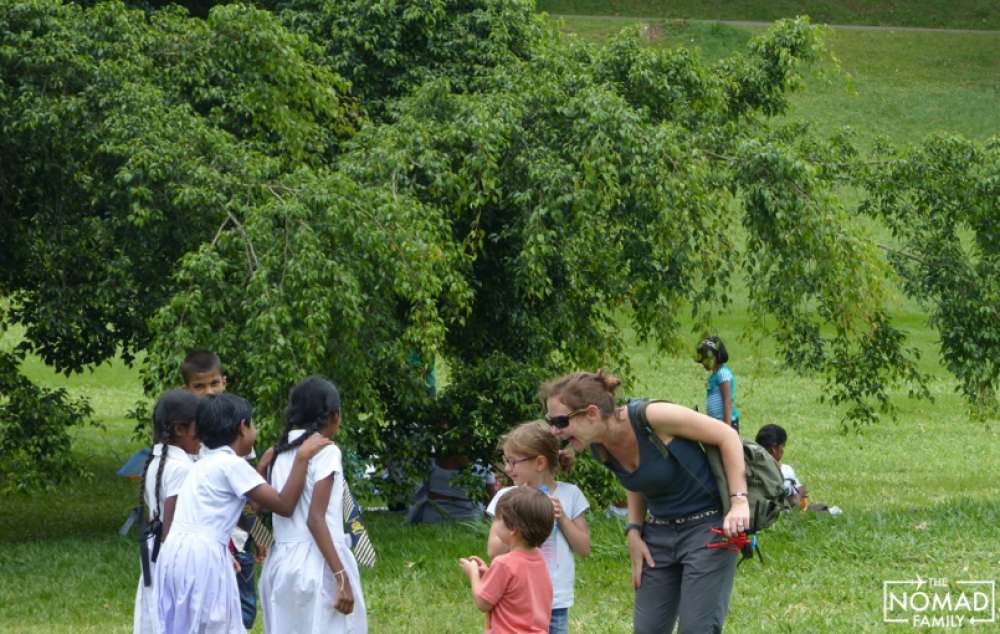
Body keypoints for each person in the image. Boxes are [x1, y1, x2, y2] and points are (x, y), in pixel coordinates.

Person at [541, 370, 749, 634]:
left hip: (707, 528)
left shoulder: (652, 416)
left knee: (696, 628)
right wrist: (634, 530)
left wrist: (739, 501)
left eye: (560, 421)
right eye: (550, 421)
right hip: (659, 535)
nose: (554, 430)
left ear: (592, 412)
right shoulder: (597, 444)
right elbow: (636, 478)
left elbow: (727, 436)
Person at [155, 393, 330, 634]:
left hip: (175, 553)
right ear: (242, 427)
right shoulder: (231, 465)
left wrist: (260, 469)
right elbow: (284, 505)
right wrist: (302, 458)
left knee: (188, 625)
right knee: (216, 624)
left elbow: (245, 511)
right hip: (203, 556)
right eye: (253, 424)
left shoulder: (203, 463)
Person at [258, 376, 368, 633]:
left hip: (281, 565)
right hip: (319, 565)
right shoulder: (326, 450)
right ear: (334, 415)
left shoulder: (277, 453)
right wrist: (341, 577)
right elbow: (315, 518)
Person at [181, 349, 260, 630]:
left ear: (224, 382)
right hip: (205, 547)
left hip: (237, 540)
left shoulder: (235, 425)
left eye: (214, 383)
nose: (209, 391)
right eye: (199, 386)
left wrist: (259, 534)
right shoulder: (187, 434)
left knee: (245, 609)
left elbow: (249, 494)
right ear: (186, 389)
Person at [486, 421, 590, 634]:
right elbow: (493, 551)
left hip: (555, 600)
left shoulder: (570, 495)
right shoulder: (506, 498)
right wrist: (520, 521)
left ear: (539, 463)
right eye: (505, 461)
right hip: (515, 598)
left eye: (513, 462)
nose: (507, 469)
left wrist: (562, 519)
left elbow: (584, 549)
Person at [133, 390, 200, 634]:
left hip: (155, 552)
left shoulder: (157, 460)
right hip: (172, 555)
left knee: (157, 615)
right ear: (181, 429)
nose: (203, 434)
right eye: (199, 426)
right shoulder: (182, 468)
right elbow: (173, 528)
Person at [460, 486, 554, 634]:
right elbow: (515, 588)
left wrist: (473, 574)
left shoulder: (503, 563)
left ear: (512, 529)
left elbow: (483, 602)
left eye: (497, 519)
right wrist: (488, 574)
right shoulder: (539, 558)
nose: (494, 523)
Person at [755, 423, 808, 509]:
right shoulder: (786, 471)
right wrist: (800, 495)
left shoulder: (750, 467)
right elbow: (800, 503)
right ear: (774, 449)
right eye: (783, 446)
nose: (783, 450)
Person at [696, 336, 740, 432]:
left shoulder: (722, 374)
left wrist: (727, 428)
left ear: (717, 356)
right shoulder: (714, 375)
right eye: (702, 358)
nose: (703, 362)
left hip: (727, 423)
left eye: (706, 358)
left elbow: (727, 401)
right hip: (717, 422)